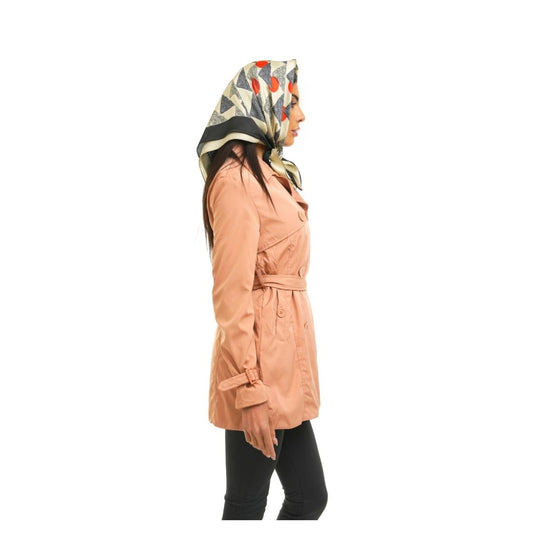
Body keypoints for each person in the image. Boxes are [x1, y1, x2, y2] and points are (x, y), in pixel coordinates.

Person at [196, 59, 327, 520]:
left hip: (286, 359)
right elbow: (230, 295)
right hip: (259, 367)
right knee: (247, 506)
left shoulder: (267, 173)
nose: (301, 115)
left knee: (309, 497)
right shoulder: (235, 180)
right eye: (293, 103)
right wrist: (249, 390)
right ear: (265, 103)